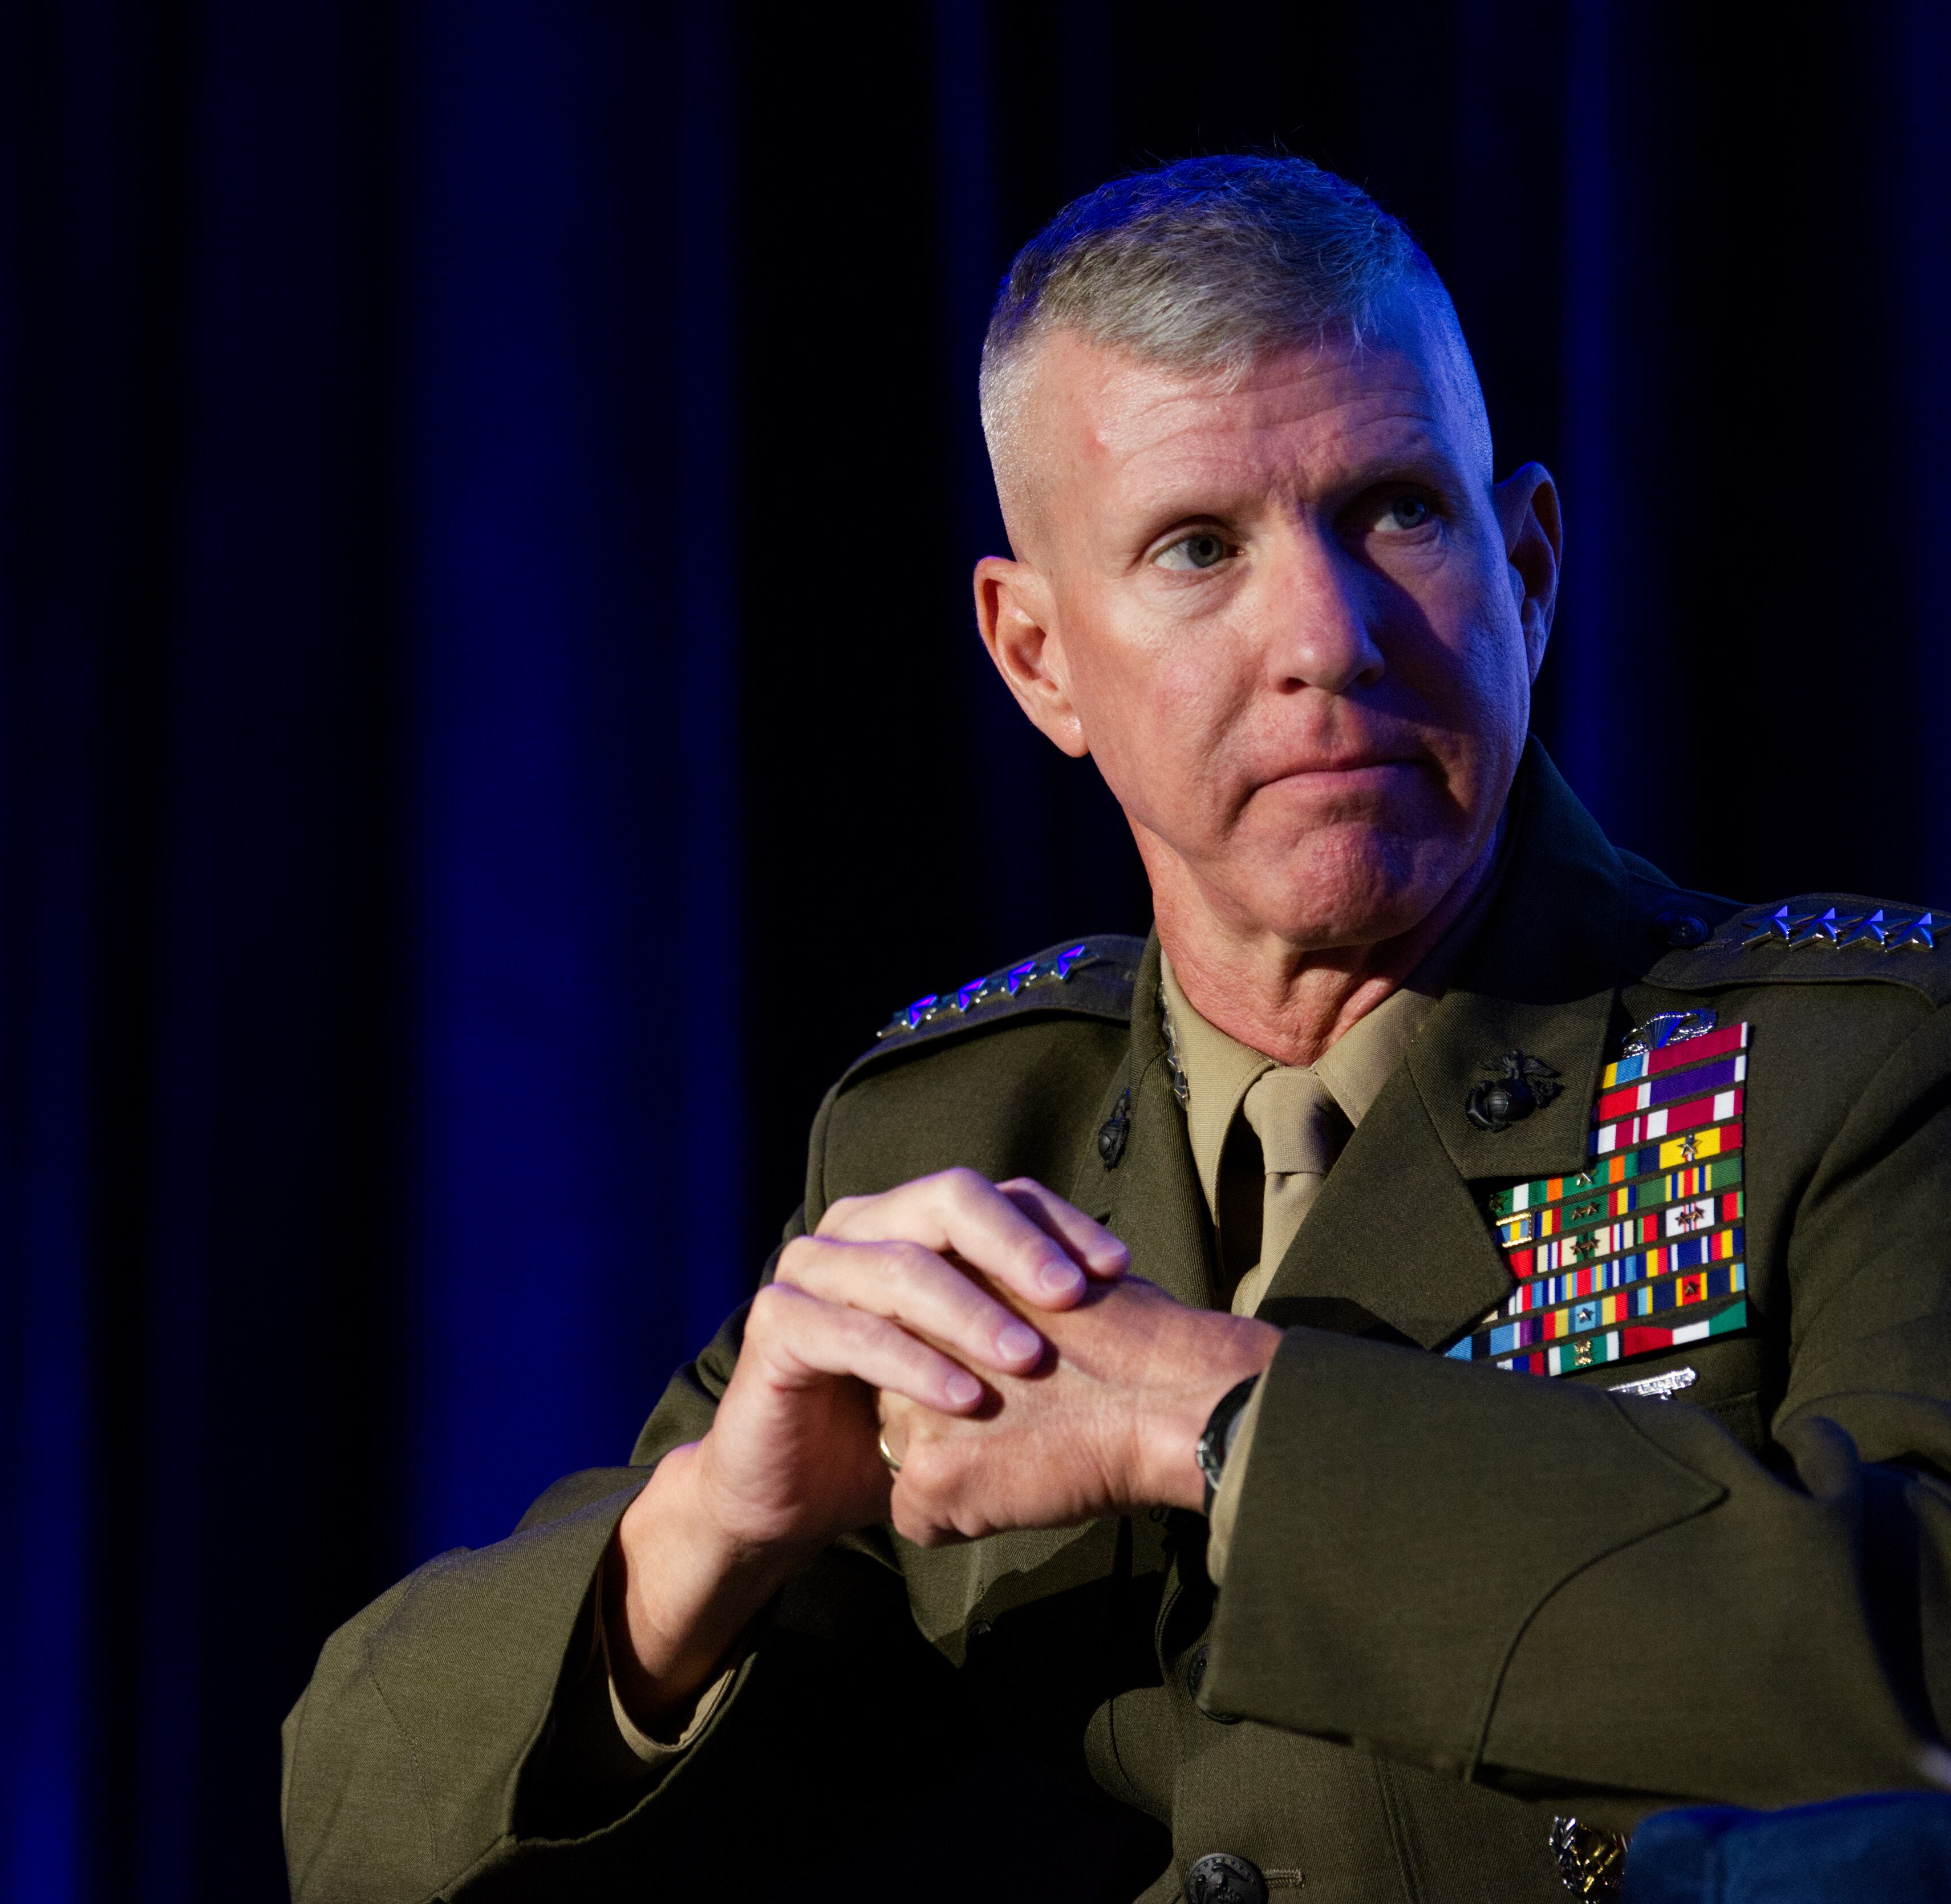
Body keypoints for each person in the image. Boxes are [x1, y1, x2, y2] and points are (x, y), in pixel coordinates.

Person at [279, 156, 1951, 1904]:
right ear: (1037, 659)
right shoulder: (963, 1131)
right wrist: (707, 1533)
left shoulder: (1857, 1070)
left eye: (1397, 510)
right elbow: (362, 1827)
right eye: (1197, 546)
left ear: (1528, 566)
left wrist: (1215, 1414)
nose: (1325, 634)